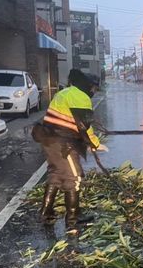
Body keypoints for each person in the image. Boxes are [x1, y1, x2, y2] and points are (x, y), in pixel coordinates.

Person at [32, 69, 107, 234]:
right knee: (74, 178)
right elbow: (84, 127)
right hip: (63, 143)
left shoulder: (65, 92)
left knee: (56, 174)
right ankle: (73, 220)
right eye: (94, 88)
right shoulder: (80, 97)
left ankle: (46, 214)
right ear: (88, 85)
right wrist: (95, 144)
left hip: (48, 139)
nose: (94, 92)